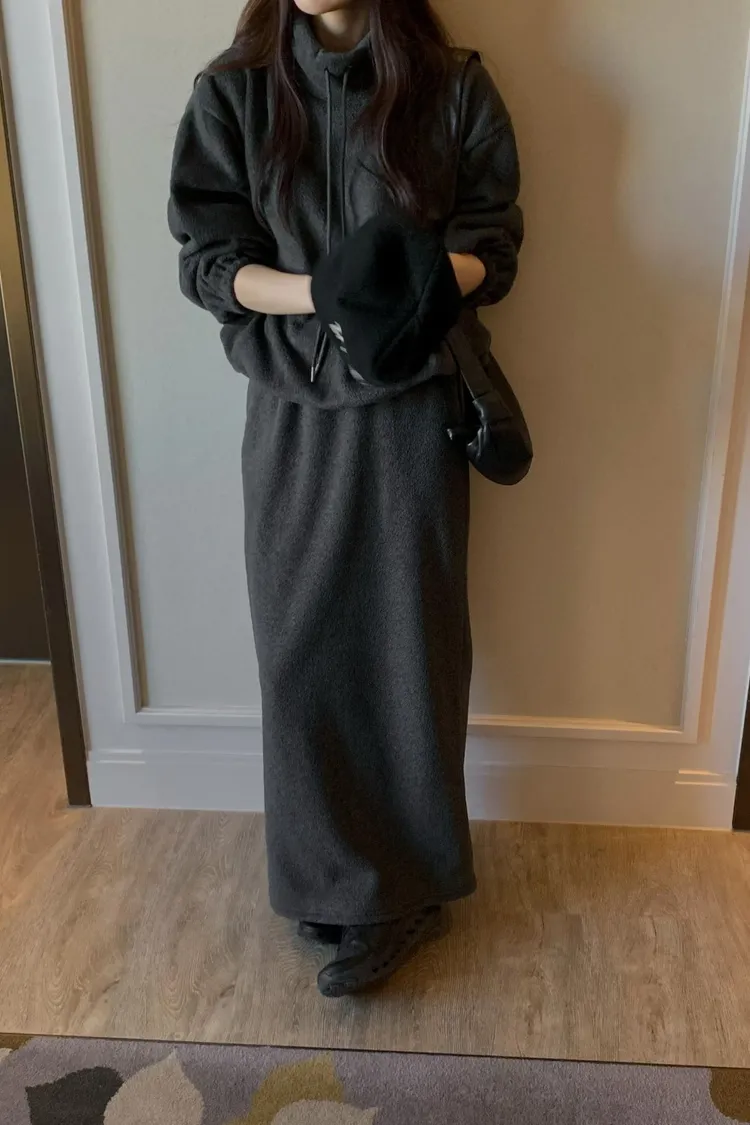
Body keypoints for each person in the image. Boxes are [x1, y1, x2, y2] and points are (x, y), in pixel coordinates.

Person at [168, 0, 522, 998]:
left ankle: (408, 890)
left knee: (410, 651)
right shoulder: (231, 95)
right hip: (291, 410)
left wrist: (406, 282)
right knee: (300, 651)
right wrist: (325, 292)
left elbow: (491, 246)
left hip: (413, 410)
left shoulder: (454, 89)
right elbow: (211, 263)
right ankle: (329, 876)